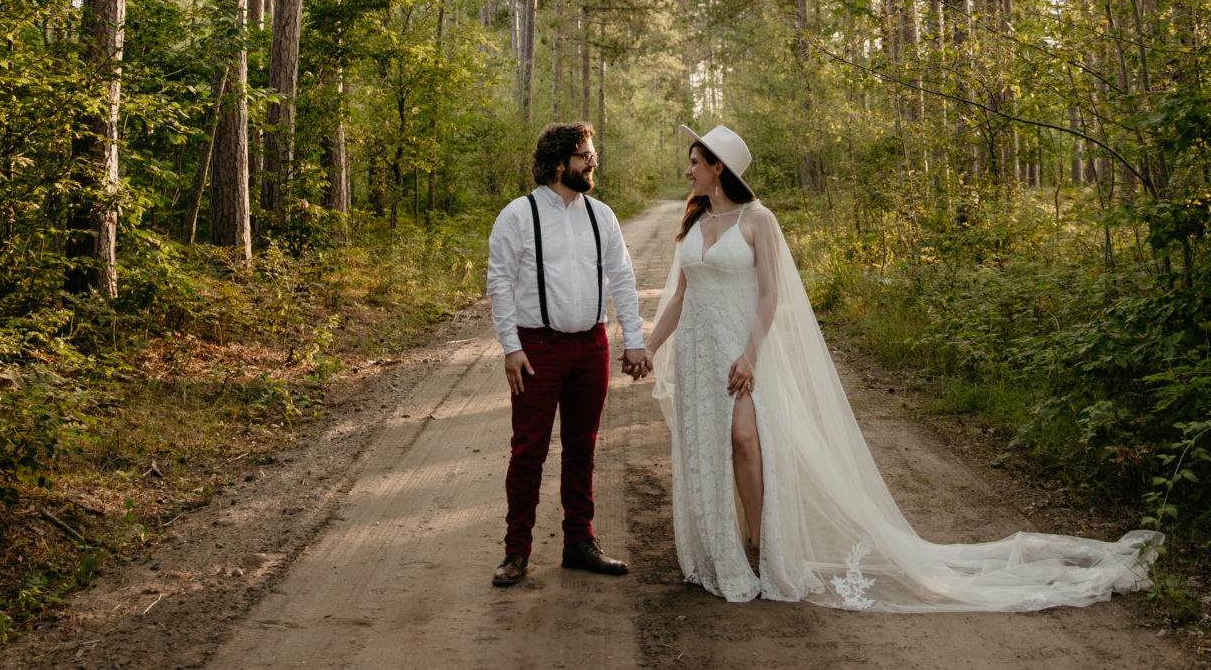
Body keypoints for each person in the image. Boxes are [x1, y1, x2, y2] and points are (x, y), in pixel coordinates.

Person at [645, 123, 1162, 610]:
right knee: (709, 448)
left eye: (695, 162)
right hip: (697, 350)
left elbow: (769, 295)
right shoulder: (694, 221)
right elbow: (679, 298)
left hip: (740, 351)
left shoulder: (759, 220)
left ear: (719, 168)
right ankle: (721, 550)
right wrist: (650, 347)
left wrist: (750, 355)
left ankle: (759, 545)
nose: (687, 171)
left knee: (745, 440)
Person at [486, 121, 650, 588]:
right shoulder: (517, 215)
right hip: (538, 347)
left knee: (583, 448)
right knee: (528, 451)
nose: (593, 162)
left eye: (592, 156)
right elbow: (499, 283)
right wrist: (511, 347)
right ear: (560, 162)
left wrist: (633, 339)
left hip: (591, 345)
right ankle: (516, 551)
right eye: (585, 156)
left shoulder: (603, 215)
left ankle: (579, 542)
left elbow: (622, 278)